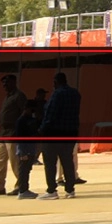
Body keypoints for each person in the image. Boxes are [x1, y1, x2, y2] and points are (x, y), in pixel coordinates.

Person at [38, 71, 81, 200]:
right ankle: (70, 189)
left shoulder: (57, 94)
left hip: (54, 133)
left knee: (50, 162)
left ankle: (52, 190)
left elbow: (51, 114)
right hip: (71, 132)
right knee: (67, 161)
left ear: (55, 82)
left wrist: (42, 129)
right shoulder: (76, 94)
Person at [0, 73, 27, 196]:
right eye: (3, 83)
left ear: (14, 82)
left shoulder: (19, 96)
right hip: (3, 133)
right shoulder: (7, 97)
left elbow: (24, 113)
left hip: (13, 132)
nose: (4, 85)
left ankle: (20, 185)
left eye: (7, 82)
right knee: (0, 160)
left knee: (15, 160)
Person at [14, 98, 42, 200]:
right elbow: (19, 138)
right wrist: (22, 152)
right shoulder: (21, 121)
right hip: (24, 150)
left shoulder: (32, 120)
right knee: (23, 170)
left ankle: (25, 189)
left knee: (27, 170)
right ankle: (22, 190)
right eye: (32, 110)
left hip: (31, 149)